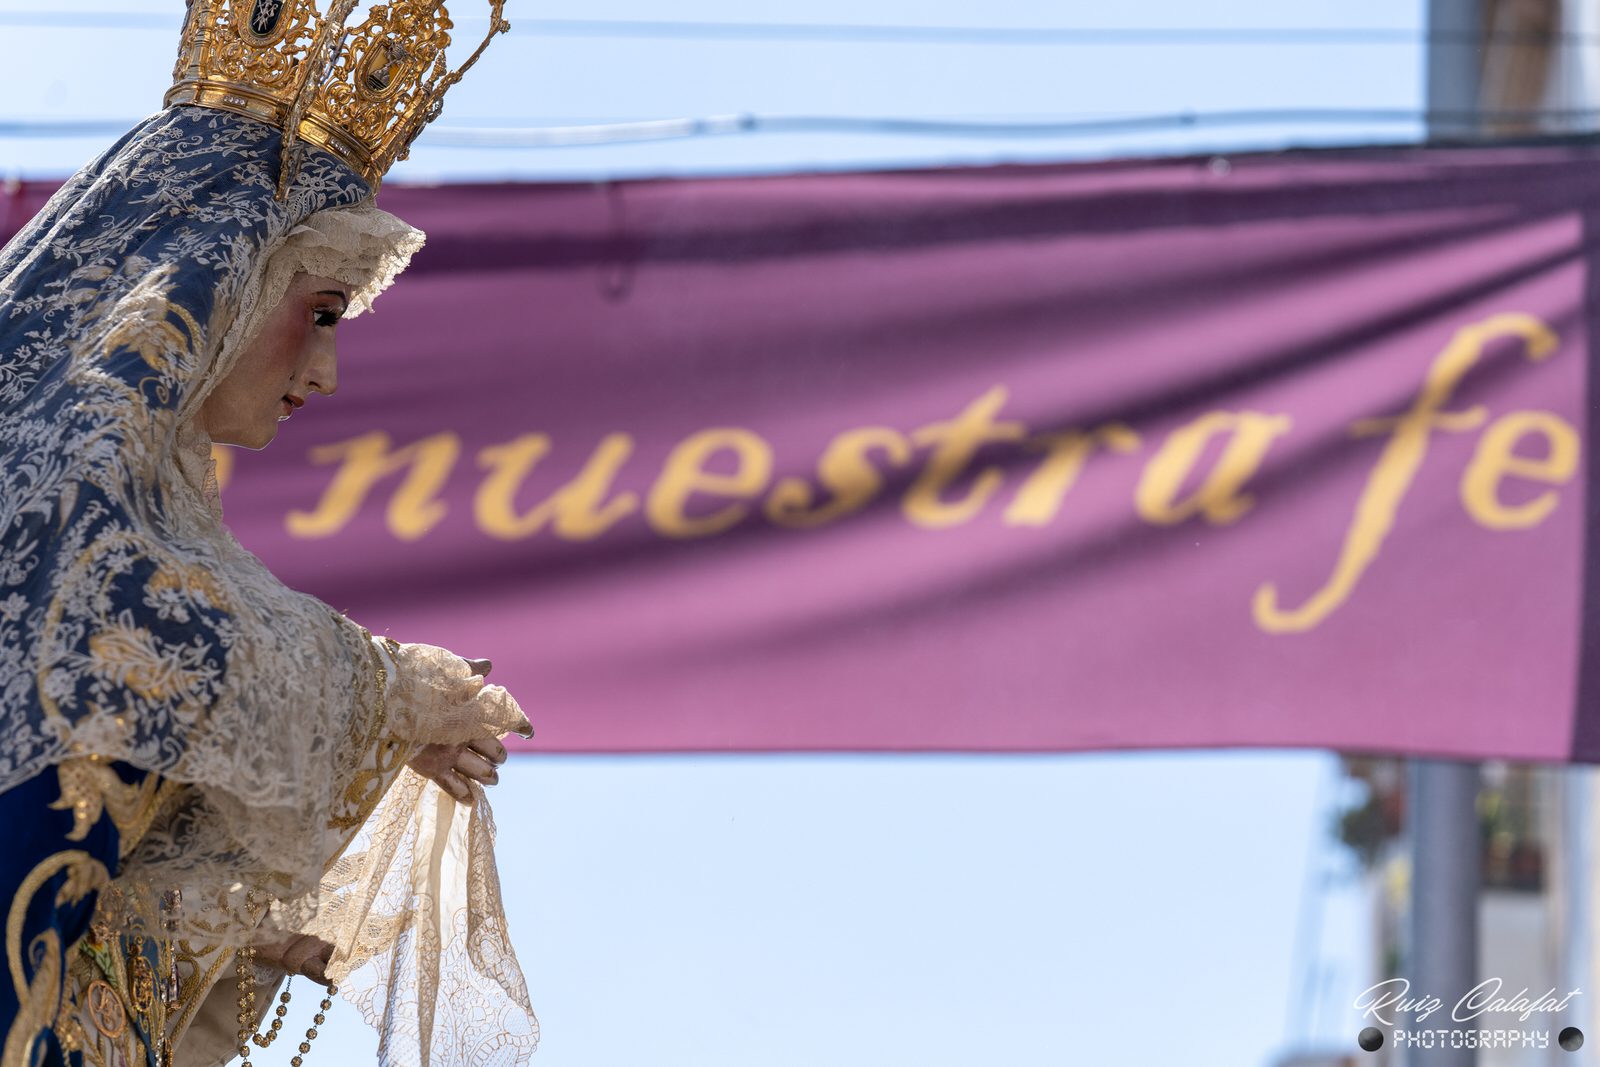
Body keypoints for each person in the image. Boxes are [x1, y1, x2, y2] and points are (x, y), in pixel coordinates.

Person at [0, 6, 536, 1066]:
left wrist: (225, 927)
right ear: (210, 280)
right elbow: (135, 624)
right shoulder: (55, 495)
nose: (326, 372)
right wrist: (395, 691)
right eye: (323, 310)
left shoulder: (155, 529)